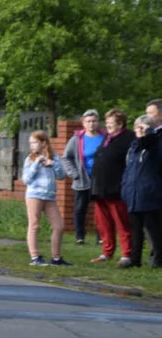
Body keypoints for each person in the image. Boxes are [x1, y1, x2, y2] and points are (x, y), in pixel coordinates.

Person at [90, 108, 135, 265]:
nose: (107, 125)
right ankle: (106, 252)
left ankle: (126, 255)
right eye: (107, 122)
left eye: (111, 122)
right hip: (99, 187)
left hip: (116, 187)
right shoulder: (107, 138)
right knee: (103, 223)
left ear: (120, 123)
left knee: (121, 222)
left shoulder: (129, 138)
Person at [22, 130, 70, 266]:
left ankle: (56, 258)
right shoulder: (30, 159)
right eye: (30, 143)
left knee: (59, 226)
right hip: (34, 195)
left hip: (49, 197)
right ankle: (35, 257)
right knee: (34, 225)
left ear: (43, 143)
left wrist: (52, 163)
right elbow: (26, 179)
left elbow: (61, 176)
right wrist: (36, 164)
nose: (31, 145)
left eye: (34, 142)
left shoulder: (54, 157)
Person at [120, 115, 162, 269]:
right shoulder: (133, 148)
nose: (139, 130)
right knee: (135, 228)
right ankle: (134, 259)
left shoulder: (155, 144)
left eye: (143, 127)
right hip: (133, 192)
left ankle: (158, 258)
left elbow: (150, 146)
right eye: (138, 127)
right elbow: (128, 169)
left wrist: (148, 133)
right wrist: (125, 187)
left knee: (153, 228)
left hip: (149, 192)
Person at [60, 109, 104, 246]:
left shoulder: (105, 137)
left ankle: (101, 237)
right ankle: (80, 237)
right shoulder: (77, 139)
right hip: (82, 179)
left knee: (101, 209)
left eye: (94, 121)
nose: (91, 124)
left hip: (101, 179)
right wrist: (75, 174)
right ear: (83, 123)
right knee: (80, 208)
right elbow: (66, 158)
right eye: (88, 121)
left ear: (98, 122)